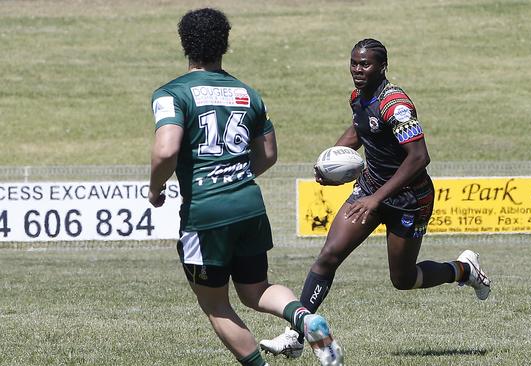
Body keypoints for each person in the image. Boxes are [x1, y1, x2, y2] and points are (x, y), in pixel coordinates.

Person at [260, 38, 491, 358]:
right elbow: (359, 131)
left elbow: (419, 158)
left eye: (365, 64)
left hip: (410, 199)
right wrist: (329, 162)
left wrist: (377, 199)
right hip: (370, 189)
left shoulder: (396, 105)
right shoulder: (358, 97)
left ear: (382, 66)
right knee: (329, 255)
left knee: (403, 278)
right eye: (354, 63)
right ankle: (296, 335)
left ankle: (464, 269)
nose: (357, 69)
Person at [147, 8, 343, 366]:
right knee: (256, 290)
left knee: (216, 305)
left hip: (206, 213)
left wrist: (154, 188)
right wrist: (234, 174)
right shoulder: (247, 93)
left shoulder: (171, 93)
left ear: (185, 45)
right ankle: (306, 319)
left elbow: (166, 150)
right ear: (224, 45)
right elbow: (268, 154)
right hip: (250, 205)